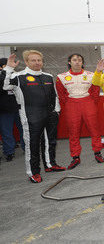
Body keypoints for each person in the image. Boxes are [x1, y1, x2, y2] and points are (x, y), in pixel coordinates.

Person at [3, 51, 66, 183]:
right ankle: (33, 172)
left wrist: (56, 111)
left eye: (39, 60)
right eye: (33, 60)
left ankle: (50, 164)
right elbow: (5, 85)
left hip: (50, 114)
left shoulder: (48, 76)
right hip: (31, 116)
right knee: (32, 144)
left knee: (50, 141)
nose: (37, 63)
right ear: (26, 62)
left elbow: (54, 95)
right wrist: (8, 68)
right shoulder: (18, 76)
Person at [56, 54, 104, 169]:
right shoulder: (61, 77)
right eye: (74, 60)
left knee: (94, 129)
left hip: (88, 102)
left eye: (80, 60)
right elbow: (61, 94)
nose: (77, 62)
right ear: (69, 62)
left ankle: (98, 152)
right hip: (71, 104)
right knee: (73, 131)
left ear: (82, 62)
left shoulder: (90, 75)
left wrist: (91, 102)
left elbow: (95, 90)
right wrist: (69, 102)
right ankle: (75, 156)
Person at [0, 58, 24, 162]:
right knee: (7, 132)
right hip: (4, 110)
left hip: (18, 107)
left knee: (24, 129)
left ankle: (27, 148)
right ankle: (9, 152)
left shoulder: (16, 75)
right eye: (8, 65)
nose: (11, 66)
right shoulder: (2, 77)